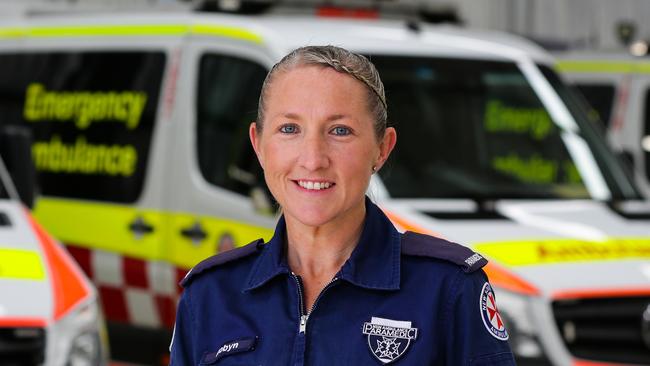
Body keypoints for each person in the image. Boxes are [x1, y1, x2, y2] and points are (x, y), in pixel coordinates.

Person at [170, 45, 515, 365]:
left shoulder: (446, 288)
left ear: (382, 148)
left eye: (339, 131)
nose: (313, 159)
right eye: (289, 128)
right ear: (258, 145)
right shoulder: (210, 295)